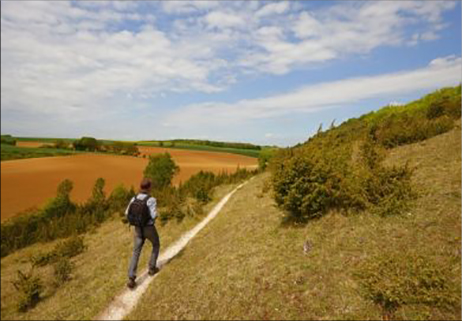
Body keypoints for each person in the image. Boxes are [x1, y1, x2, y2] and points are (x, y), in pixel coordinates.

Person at [125, 178, 160, 289]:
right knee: (156, 244)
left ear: (140, 187)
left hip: (137, 229)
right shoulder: (151, 199)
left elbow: (126, 213)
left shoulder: (134, 198)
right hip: (148, 228)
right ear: (149, 187)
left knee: (136, 251)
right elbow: (154, 215)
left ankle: (131, 277)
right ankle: (152, 268)